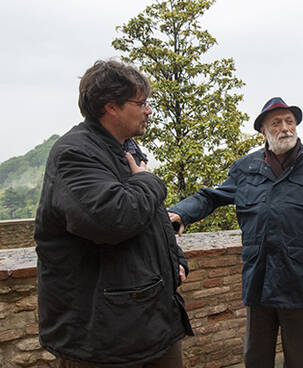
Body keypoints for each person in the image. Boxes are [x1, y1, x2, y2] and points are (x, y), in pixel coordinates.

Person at [34, 59, 193, 366]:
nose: (149, 111)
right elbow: (111, 219)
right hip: (105, 339)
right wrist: (149, 181)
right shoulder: (75, 153)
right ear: (111, 107)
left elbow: (150, 218)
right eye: (142, 103)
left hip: (149, 325)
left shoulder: (125, 149)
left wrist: (176, 260)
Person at [169, 97, 303, 368]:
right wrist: (181, 213)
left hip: (301, 280)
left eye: (290, 122)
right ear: (263, 132)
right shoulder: (245, 168)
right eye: (276, 123)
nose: (285, 128)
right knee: (255, 358)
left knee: (298, 359)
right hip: (260, 278)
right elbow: (211, 196)